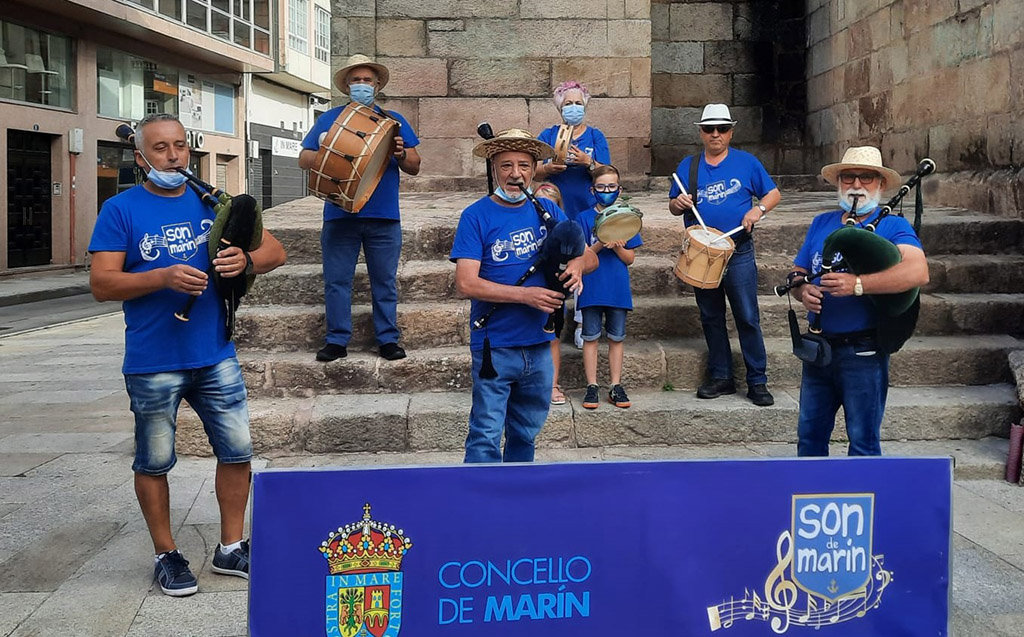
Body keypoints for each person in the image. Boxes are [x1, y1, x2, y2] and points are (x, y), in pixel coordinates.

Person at [88, 113, 287, 596]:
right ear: (141, 158)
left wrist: (246, 260)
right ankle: (166, 553)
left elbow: (275, 253)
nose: (174, 155)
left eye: (180, 145)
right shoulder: (120, 210)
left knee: (237, 453)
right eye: (160, 148)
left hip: (215, 352)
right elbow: (101, 284)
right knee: (154, 461)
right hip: (153, 359)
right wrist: (162, 277)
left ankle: (231, 547)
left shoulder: (213, 202)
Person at [450, 129, 597, 463]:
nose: (515, 174)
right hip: (495, 345)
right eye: (506, 165)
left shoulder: (548, 210)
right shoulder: (475, 216)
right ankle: (482, 493)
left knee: (526, 432)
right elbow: (466, 284)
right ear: (494, 170)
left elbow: (590, 257)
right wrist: (525, 296)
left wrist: (577, 265)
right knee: (486, 434)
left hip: (540, 344)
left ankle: (516, 489)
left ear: (534, 170)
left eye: (523, 165)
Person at [790, 146, 928, 457]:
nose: (856, 184)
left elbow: (918, 272)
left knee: (863, 443)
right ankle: (812, 489)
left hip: (863, 350)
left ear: (880, 184)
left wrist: (858, 285)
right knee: (809, 440)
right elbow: (798, 271)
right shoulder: (821, 222)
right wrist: (802, 290)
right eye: (848, 177)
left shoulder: (893, 226)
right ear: (839, 182)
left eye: (866, 177)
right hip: (819, 349)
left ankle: (863, 491)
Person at [299, 55, 421, 362]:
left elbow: (415, 166)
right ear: (346, 86)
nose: (362, 85)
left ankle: (388, 339)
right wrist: (334, 150)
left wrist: (401, 153)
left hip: (384, 216)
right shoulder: (330, 119)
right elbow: (304, 158)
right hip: (340, 213)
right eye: (356, 80)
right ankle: (336, 340)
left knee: (385, 282)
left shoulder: (393, 121)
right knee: (337, 281)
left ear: (377, 86)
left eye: (367, 80)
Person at [668, 103, 781, 407]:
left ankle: (757, 380)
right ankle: (721, 376)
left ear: (731, 132)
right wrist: (679, 203)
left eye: (722, 129)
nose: (715, 134)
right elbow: (673, 206)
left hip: (738, 250)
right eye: (709, 129)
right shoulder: (688, 166)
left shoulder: (747, 163)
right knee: (711, 316)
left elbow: (773, 194)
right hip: (703, 252)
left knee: (747, 316)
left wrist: (758, 210)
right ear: (701, 133)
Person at [575, 165, 642, 409]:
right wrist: (602, 242)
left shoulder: (627, 217)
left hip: (617, 287)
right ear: (592, 190)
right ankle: (592, 385)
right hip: (591, 286)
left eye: (611, 187)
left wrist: (618, 246)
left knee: (616, 337)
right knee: (590, 337)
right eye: (601, 187)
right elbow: (581, 257)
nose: (606, 191)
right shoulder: (583, 218)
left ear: (619, 189)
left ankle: (615, 384)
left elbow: (630, 259)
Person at [532, 182, 572, 406]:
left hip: (553, 287)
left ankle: (553, 384)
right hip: (531, 288)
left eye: (551, 205)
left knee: (553, 339)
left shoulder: (563, 229)